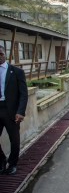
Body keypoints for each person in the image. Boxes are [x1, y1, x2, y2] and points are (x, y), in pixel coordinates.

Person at [0, 45, 28, 175]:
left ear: (5, 54)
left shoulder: (16, 72)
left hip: (11, 110)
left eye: (0, 54)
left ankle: (12, 164)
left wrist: (20, 111)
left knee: (14, 140)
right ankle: (1, 160)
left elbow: (23, 94)